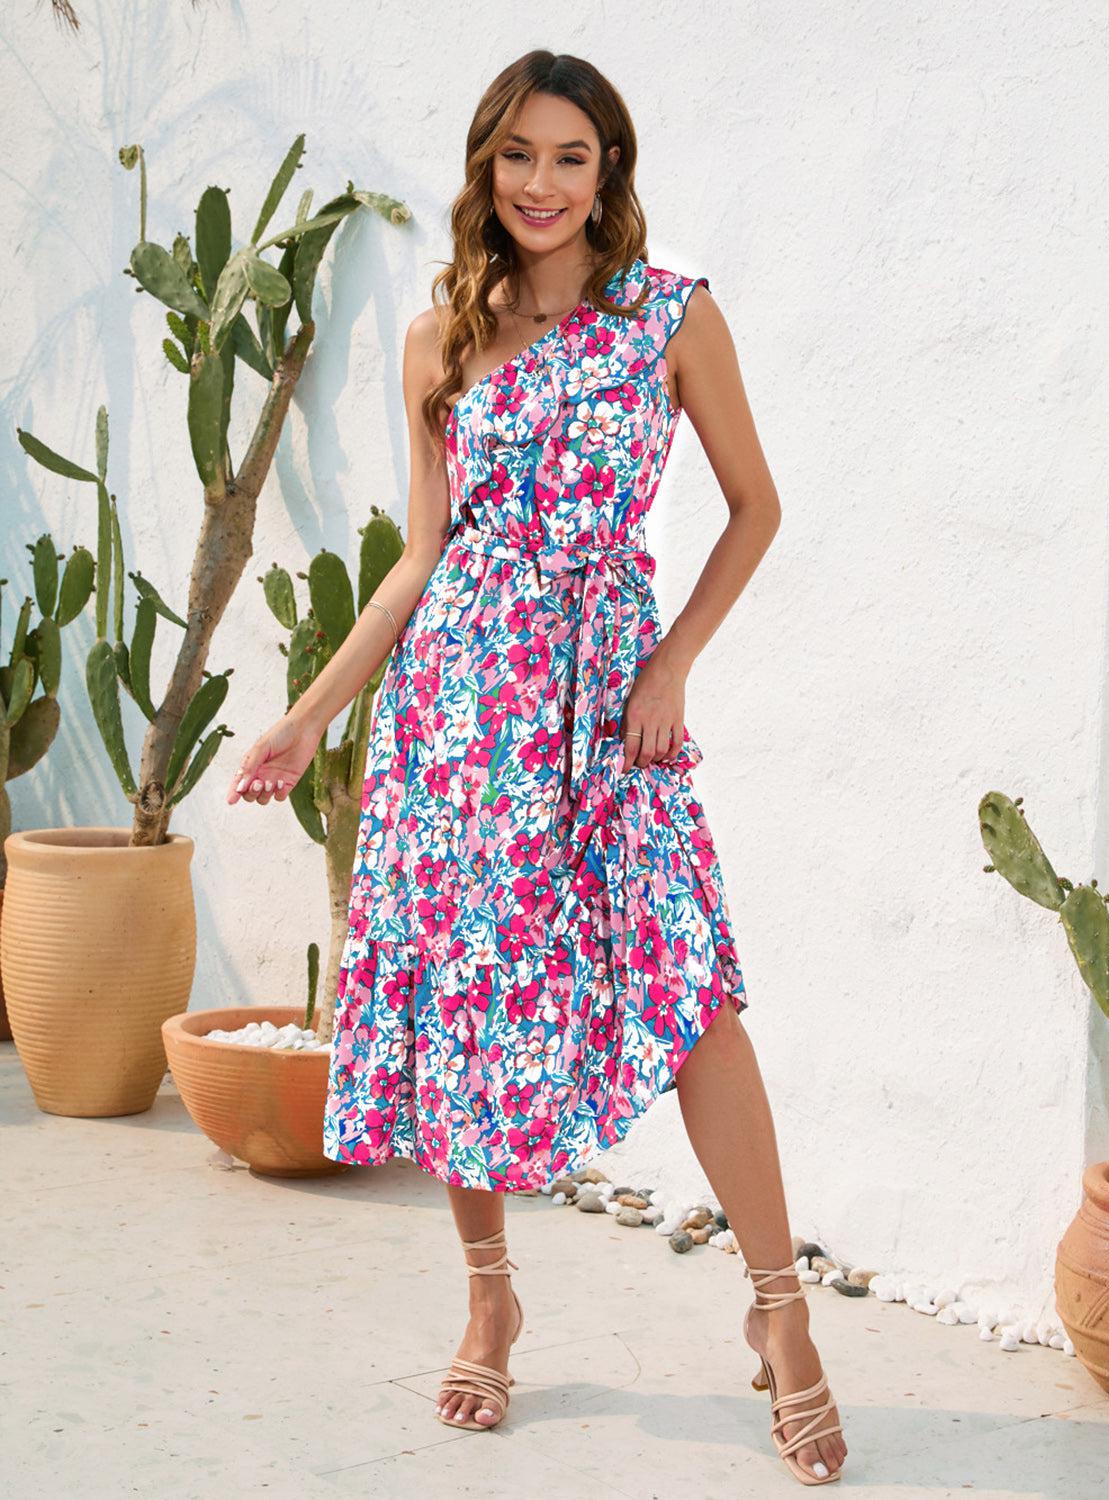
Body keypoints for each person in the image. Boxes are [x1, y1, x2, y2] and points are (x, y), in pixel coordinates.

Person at [227, 49, 846, 1488]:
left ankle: (777, 1312)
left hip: (609, 703)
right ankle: (490, 1292)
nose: (542, 184)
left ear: (608, 169)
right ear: (483, 166)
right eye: (517, 154)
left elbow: (754, 509)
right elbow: (423, 561)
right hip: (461, 718)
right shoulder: (444, 337)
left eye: (572, 156)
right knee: (465, 1005)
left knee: (691, 994)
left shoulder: (668, 314)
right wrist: (311, 713)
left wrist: (669, 665)